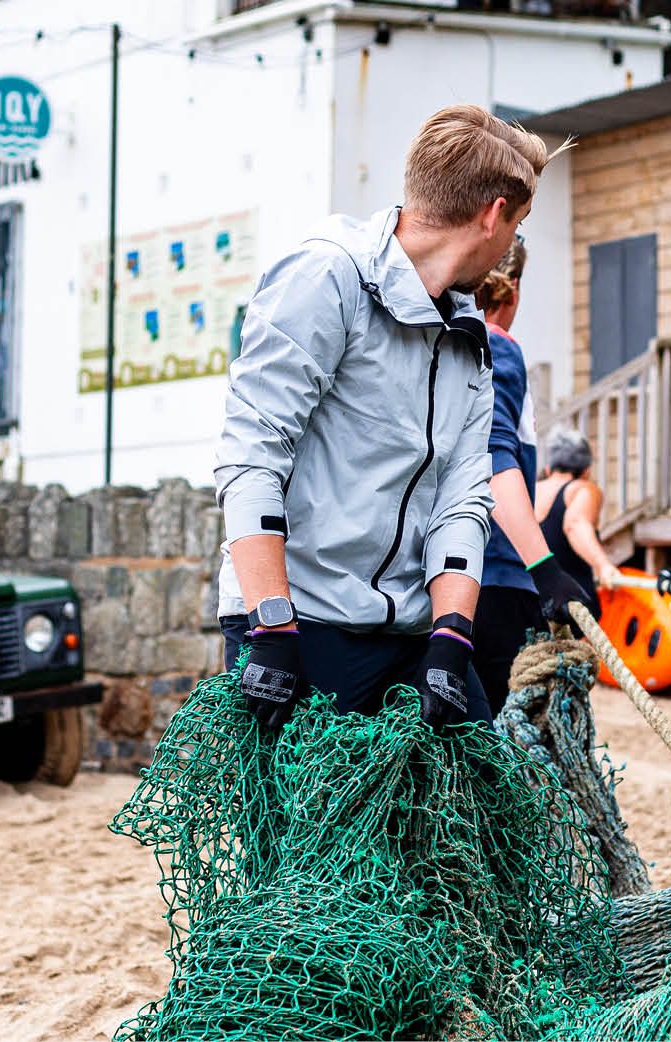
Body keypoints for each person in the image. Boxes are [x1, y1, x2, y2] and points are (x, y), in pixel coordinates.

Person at [213, 105, 591, 733]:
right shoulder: (328, 277)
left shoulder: (470, 332)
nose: (510, 244)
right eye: (517, 225)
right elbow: (252, 456)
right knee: (316, 801)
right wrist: (272, 626)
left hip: (413, 629)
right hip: (300, 618)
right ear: (494, 214)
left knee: (482, 792)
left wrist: (452, 637)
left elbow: (463, 496)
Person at [469, 239, 601, 707]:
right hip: (500, 577)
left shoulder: (446, 343)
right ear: (513, 288)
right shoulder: (498, 347)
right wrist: (545, 569)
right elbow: (494, 454)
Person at [535, 429, 623, 595]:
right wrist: (603, 565)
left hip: (528, 598)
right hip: (570, 601)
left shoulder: (526, 492)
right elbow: (575, 524)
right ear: (586, 471)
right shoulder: (581, 489)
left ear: (548, 469)